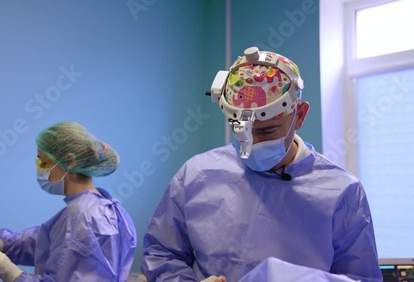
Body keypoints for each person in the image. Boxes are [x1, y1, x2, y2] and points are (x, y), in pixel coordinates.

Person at [141, 47, 382, 282]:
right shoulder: (196, 175)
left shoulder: (342, 192)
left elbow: (359, 276)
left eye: (267, 131)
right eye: (241, 131)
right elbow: (162, 255)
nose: (252, 144)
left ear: (299, 115)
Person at [0, 121, 137, 282]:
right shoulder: (98, 206)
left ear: (69, 161)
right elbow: (49, 243)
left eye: (42, 161)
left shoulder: (82, 217)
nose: (39, 168)